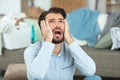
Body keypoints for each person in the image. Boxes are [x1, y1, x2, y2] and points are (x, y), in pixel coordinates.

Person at [24, 7, 102, 80]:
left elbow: (90, 71)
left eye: (61, 21)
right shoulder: (31, 50)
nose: (57, 25)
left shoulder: (70, 48)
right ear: (43, 27)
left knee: (94, 78)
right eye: (52, 21)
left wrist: (70, 40)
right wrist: (48, 40)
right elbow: (37, 75)